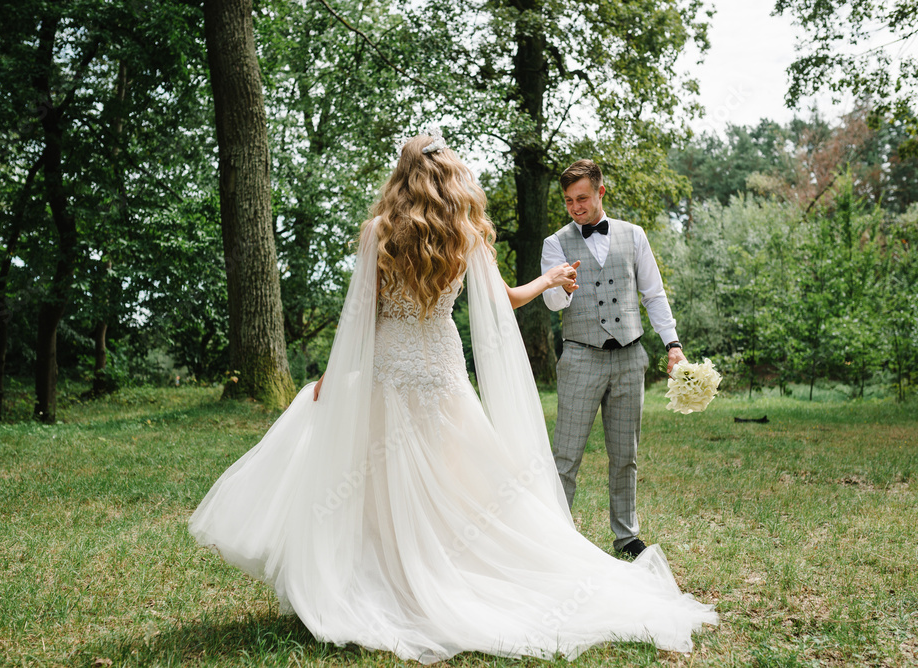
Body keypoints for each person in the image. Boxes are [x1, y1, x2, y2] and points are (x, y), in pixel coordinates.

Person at [189, 134, 715, 664]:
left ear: (402, 175)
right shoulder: (466, 233)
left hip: (389, 368)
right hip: (441, 372)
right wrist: (547, 280)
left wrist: (333, 374)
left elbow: (360, 316)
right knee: (451, 478)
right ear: (450, 177)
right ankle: (442, 564)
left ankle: (384, 572)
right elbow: (504, 300)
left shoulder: (378, 232)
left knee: (376, 474)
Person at [541, 159, 685, 558]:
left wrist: (672, 343)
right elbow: (552, 302)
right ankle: (556, 536)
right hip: (580, 358)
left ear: (601, 192)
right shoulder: (555, 243)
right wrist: (563, 287)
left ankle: (626, 535)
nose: (575, 207)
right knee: (566, 455)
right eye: (569, 201)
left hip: (629, 357)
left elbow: (653, 294)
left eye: (582, 198)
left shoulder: (633, 235)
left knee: (625, 455)